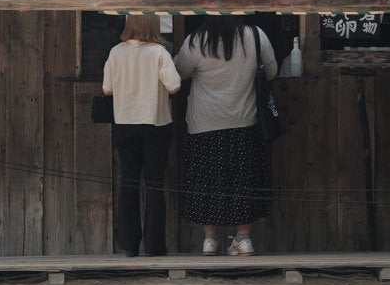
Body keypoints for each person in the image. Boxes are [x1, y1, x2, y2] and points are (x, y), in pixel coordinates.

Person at [174, 16, 276, 256]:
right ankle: (243, 239)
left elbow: (179, 72)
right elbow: (271, 71)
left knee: (206, 182)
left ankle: (210, 240)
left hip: (204, 123)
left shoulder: (196, 40)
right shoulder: (256, 35)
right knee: (244, 182)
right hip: (245, 120)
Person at [102, 15, 182, 257]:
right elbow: (174, 85)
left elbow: (107, 89)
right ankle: (155, 246)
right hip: (155, 122)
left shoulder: (116, 52)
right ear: (153, 25)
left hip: (125, 121)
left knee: (128, 181)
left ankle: (129, 245)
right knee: (155, 182)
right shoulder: (159, 52)